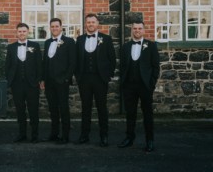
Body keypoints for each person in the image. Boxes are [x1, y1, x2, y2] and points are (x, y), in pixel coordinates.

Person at [118, 22, 160, 152]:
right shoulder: (125, 47)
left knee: (147, 114)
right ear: (132, 30)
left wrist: (151, 84)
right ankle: (129, 138)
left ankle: (150, 140)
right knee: (130, 113)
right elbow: (123, 66)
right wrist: (124, 82)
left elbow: (155, 67)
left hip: (145, 86)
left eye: (139, 28)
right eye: (134, 29)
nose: (137, 31)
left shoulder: (151, 46)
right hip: (129, 86)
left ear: (144, 30)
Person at [75, 13, 116, 147]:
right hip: (84, 79)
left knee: (101, 108)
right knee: (85, 108)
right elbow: (76, 59)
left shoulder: (106, 39)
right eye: (88, 22)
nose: (91, 24)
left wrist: (107, 76)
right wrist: (78, 76)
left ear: (97, 23)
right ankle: (84, 135)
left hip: (100, 79)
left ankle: (104, 136)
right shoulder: (80, 39)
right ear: (85, 24)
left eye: (93, 22)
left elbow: (112, 59)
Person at [5, 23, 42, 143]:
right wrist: (10, 80)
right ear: (16, 32)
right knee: (20, 110)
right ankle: (22, 134)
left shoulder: (35, 46)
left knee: (33, 110)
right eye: (19, 31)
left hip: (32, 84)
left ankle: (35, 135)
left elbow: (39, 65)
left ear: (28, 32)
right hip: (17, 85)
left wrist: (38, 81)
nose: (22, 33)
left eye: (24, 31)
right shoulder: (11, 47)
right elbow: (8, 66)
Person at [41, 18, 76, 144]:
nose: (54, 28)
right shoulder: (47, 42)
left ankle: (65, 135)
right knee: (53, 108)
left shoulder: (69, 41)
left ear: (61, 27)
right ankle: (54, 133)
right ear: (50, 28)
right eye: (52, 26)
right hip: (49, 82)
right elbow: (45, 62)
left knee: (64, 108)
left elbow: (72, 62)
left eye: (57, 26)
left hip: (62, 81)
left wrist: (66, 78)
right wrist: (43, 79)